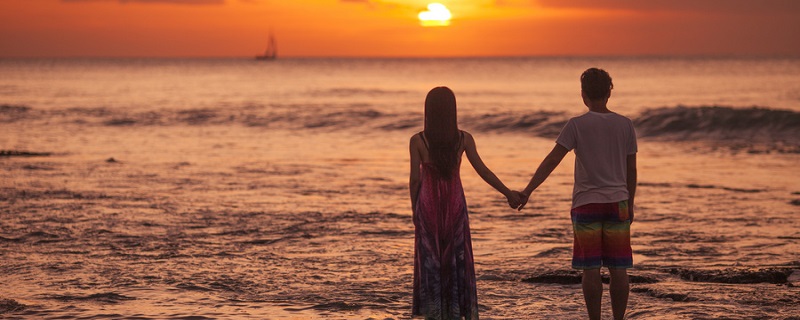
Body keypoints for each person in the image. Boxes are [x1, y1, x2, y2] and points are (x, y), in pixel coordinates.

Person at [517, 68, 637, 320]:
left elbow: (552, 161)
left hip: (586, 203)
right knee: (619, 268)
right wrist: (631, 203)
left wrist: (527, 191)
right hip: (618, 202)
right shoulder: (625, 124)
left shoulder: (576, 125)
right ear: (609, 93)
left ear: (583, 95)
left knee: (591, 268)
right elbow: (631, 170)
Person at [410, 86, 521, 320]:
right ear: (453, 111)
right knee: (456, 256)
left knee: (431, 259)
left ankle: (434, 312)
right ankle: (455, 311)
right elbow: (483, 171)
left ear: (428, 111)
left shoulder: (418, 140)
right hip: (455, 204)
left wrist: (415, 210)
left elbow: (415, 180)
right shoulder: (463, 139)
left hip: (428, 206)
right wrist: (507, 193)